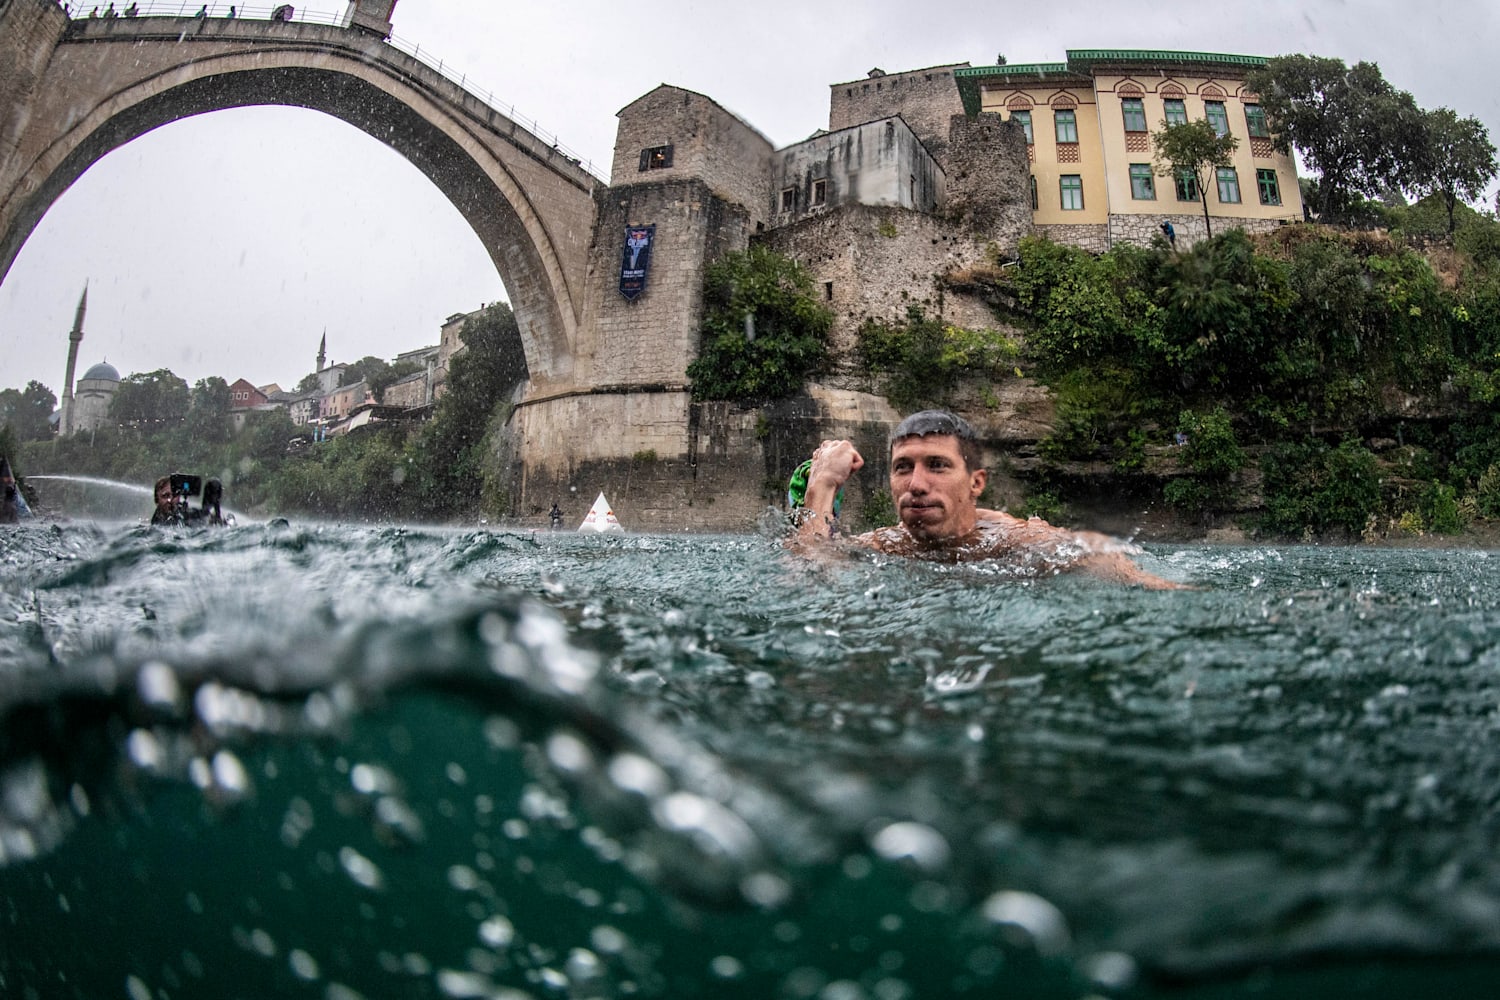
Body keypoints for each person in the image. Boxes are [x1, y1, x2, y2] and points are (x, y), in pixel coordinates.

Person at [789, 410, 1183, 589]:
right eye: (903, 467)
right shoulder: (886, 544)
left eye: (938, 465)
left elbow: (1124, 572)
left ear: (976, 483)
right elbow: (804, 579)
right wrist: (821, 486)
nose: (917, 484)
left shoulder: (1019, 540)